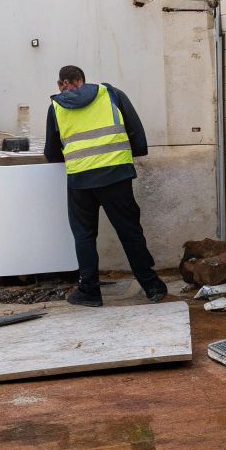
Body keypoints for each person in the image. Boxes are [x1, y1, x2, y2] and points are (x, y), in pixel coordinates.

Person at [43, 65, 167, 306]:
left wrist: (70, 159)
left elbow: (51, 151)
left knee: (84, 235)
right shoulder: (111, 94)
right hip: (115, 176)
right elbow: (135, 130)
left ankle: (89, 291)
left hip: (80, 180)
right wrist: (133, 154)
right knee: (130, 231)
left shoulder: (56, 107)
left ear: (65, 82)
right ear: (82, 79)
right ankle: (152, 286)